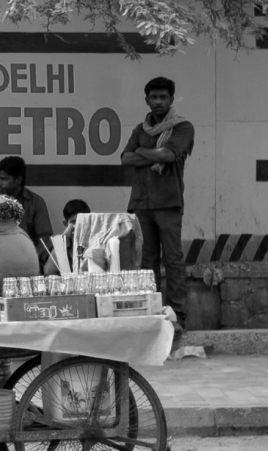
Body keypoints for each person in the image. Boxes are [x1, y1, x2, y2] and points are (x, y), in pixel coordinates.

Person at [121, 76, 194, 338]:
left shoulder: (183, 127)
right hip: (142, 203)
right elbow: (124, 158)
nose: (159, 102)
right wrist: (148, 152)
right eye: (154, 97)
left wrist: (141, 152)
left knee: (173, 261)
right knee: (147, 263)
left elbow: (169, 155)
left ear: (171, 100)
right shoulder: (141, 129)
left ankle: (178, 318)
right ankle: (153, 315)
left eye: (164, 97)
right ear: (147, 100)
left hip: (168, 202)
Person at [0, 156, 53, 273]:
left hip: (28, 266)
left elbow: (45, 242)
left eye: (4, 179)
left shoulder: (35, 202)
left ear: (18, 180)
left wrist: (28, 261)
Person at [43, 199, 91, 275]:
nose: (77, 226)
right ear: (65, 224)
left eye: (81, 221)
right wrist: (62, 241)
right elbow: (48, 273)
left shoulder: (94, 242)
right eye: (73, 222)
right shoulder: (60, 244)